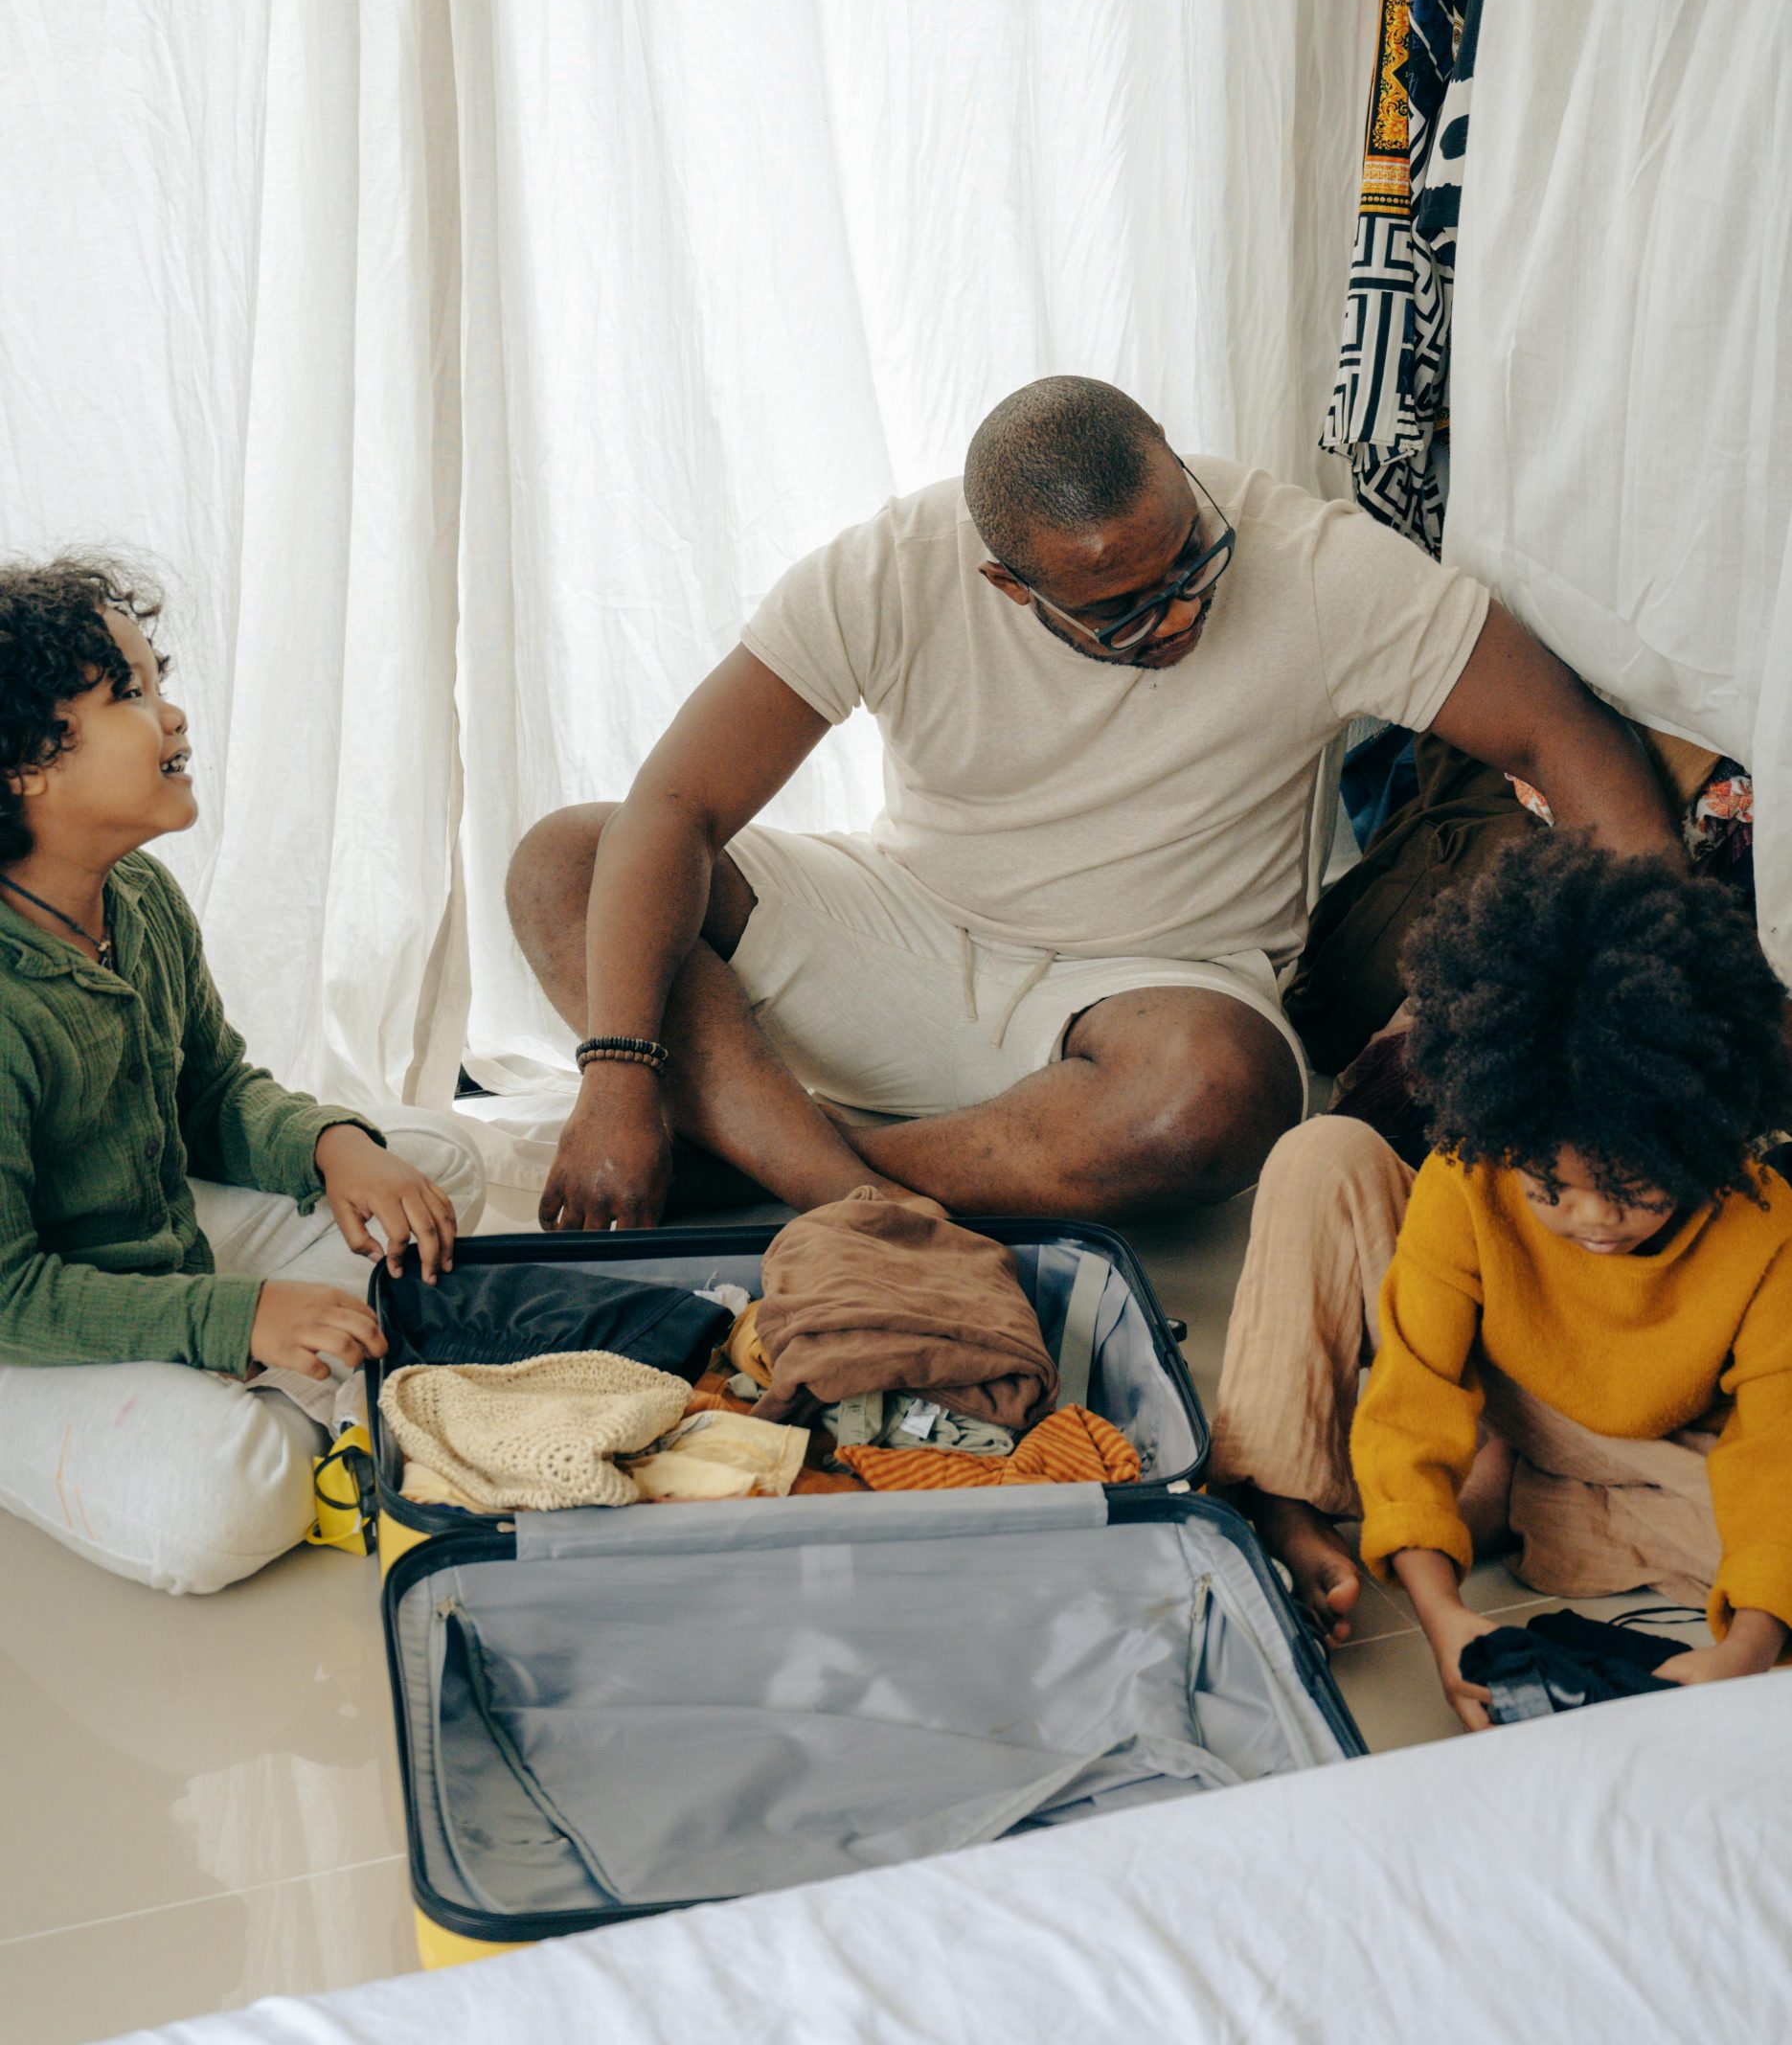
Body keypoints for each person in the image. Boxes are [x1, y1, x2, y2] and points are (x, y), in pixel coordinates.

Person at [510, 375, 1678, 1232]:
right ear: (1004, 582)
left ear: (1171, 458)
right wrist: (615, 1070)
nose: (1173, 617)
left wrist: (1660, 998)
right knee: (569, 855)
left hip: (1154, 990)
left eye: (1188, 567)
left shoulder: (1315, 563)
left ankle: (784, 1161)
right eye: (1119, 611)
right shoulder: (892, 568)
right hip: (909, 930)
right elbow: (675, 802)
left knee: (1219, 1100)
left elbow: (1559, 734)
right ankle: (840, 1187)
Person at [1210, 831, 1792, 1726]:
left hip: (1648, 1450)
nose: (1592, 1221)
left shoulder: (1765, 1228)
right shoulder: (1468, 1173)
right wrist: (1442, 1620)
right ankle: (1284, 1503)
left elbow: (1773, 1457)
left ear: (1703, 1140)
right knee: (1321, 1155)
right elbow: (1412, 1393)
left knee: (1774, 1559)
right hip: (1501, 1389)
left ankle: (1506, 1495)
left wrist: (1747, 1648)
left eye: (1632, 1192)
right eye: (1551, 1191)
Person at [0, 557, 485, 1593]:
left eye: (154, 681)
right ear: (23, 764)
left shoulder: (137, 896)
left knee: (431, 1164)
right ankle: (295, 1409)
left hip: (151, 1243)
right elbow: (9, 1287)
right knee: (224, 1502)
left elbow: (213, 1094)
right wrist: (236, 1316)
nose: (171, 717)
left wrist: (332, 1144)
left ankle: (288, 1394)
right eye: (125, 692)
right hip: (22, 1321)